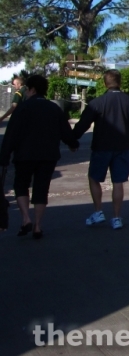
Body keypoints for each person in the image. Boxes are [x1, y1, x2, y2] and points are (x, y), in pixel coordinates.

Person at [0, 75, 78, 239]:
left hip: (24, 155)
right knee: (42, 189)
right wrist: (72, 143)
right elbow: (65, 131)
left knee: (21, 185)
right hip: (48, 156)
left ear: (31, 89)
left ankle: (25, 218)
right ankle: (37, 226)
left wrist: (4, 155)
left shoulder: (22, 108)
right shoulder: (54, 108)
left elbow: (11, 134)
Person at [71, 69, 129, 230]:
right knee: (118, 182)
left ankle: (98, 211)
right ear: (120, 82)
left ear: (104, 83)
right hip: (123, 146)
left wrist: (72, 140)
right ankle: (116, 218)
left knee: (94, 178)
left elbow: (83, 123)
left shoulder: (97, 102)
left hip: (101, 146)